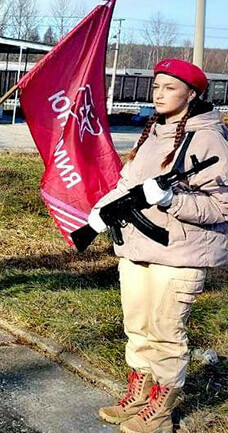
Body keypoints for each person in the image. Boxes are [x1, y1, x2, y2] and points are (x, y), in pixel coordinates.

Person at [91, 59, 227, 433]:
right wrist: (101, 210)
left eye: (170, 87)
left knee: (166, 332)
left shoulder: (208, 138)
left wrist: (171, 201)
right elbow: (127, 183)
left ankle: (161, 412)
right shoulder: (154, 132)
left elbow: (220, 206)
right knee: (137, 327)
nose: (160, 93)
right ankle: (139, 396)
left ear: (192, 93)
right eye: (156, 87)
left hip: (179, 254)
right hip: (138, 249)